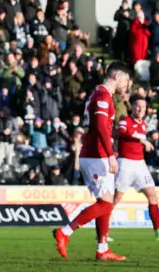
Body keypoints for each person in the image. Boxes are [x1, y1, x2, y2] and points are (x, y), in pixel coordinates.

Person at [53, 61, 133, 261]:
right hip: (96, 155)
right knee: (106, 205)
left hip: (95, 153)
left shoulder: (98, 95)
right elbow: (101, 127)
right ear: (117, 76)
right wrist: (110, 154)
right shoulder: (103, 96)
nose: (127, 84)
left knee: (104, 202)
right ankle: (65, 232)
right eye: (126, 79)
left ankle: (102, 248)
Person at [112, 96, 159, 239]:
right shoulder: (125, 121)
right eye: (138, 106)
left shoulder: (144, 124)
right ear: (132, 107)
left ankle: (157, 229)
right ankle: (102, 231)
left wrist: (145, 143)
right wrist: (141, 140)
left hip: (140, 164)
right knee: (115, 199)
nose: (140, 109)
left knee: (152, 195)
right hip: (125, 164)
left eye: (143, 107)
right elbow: (122, 134)